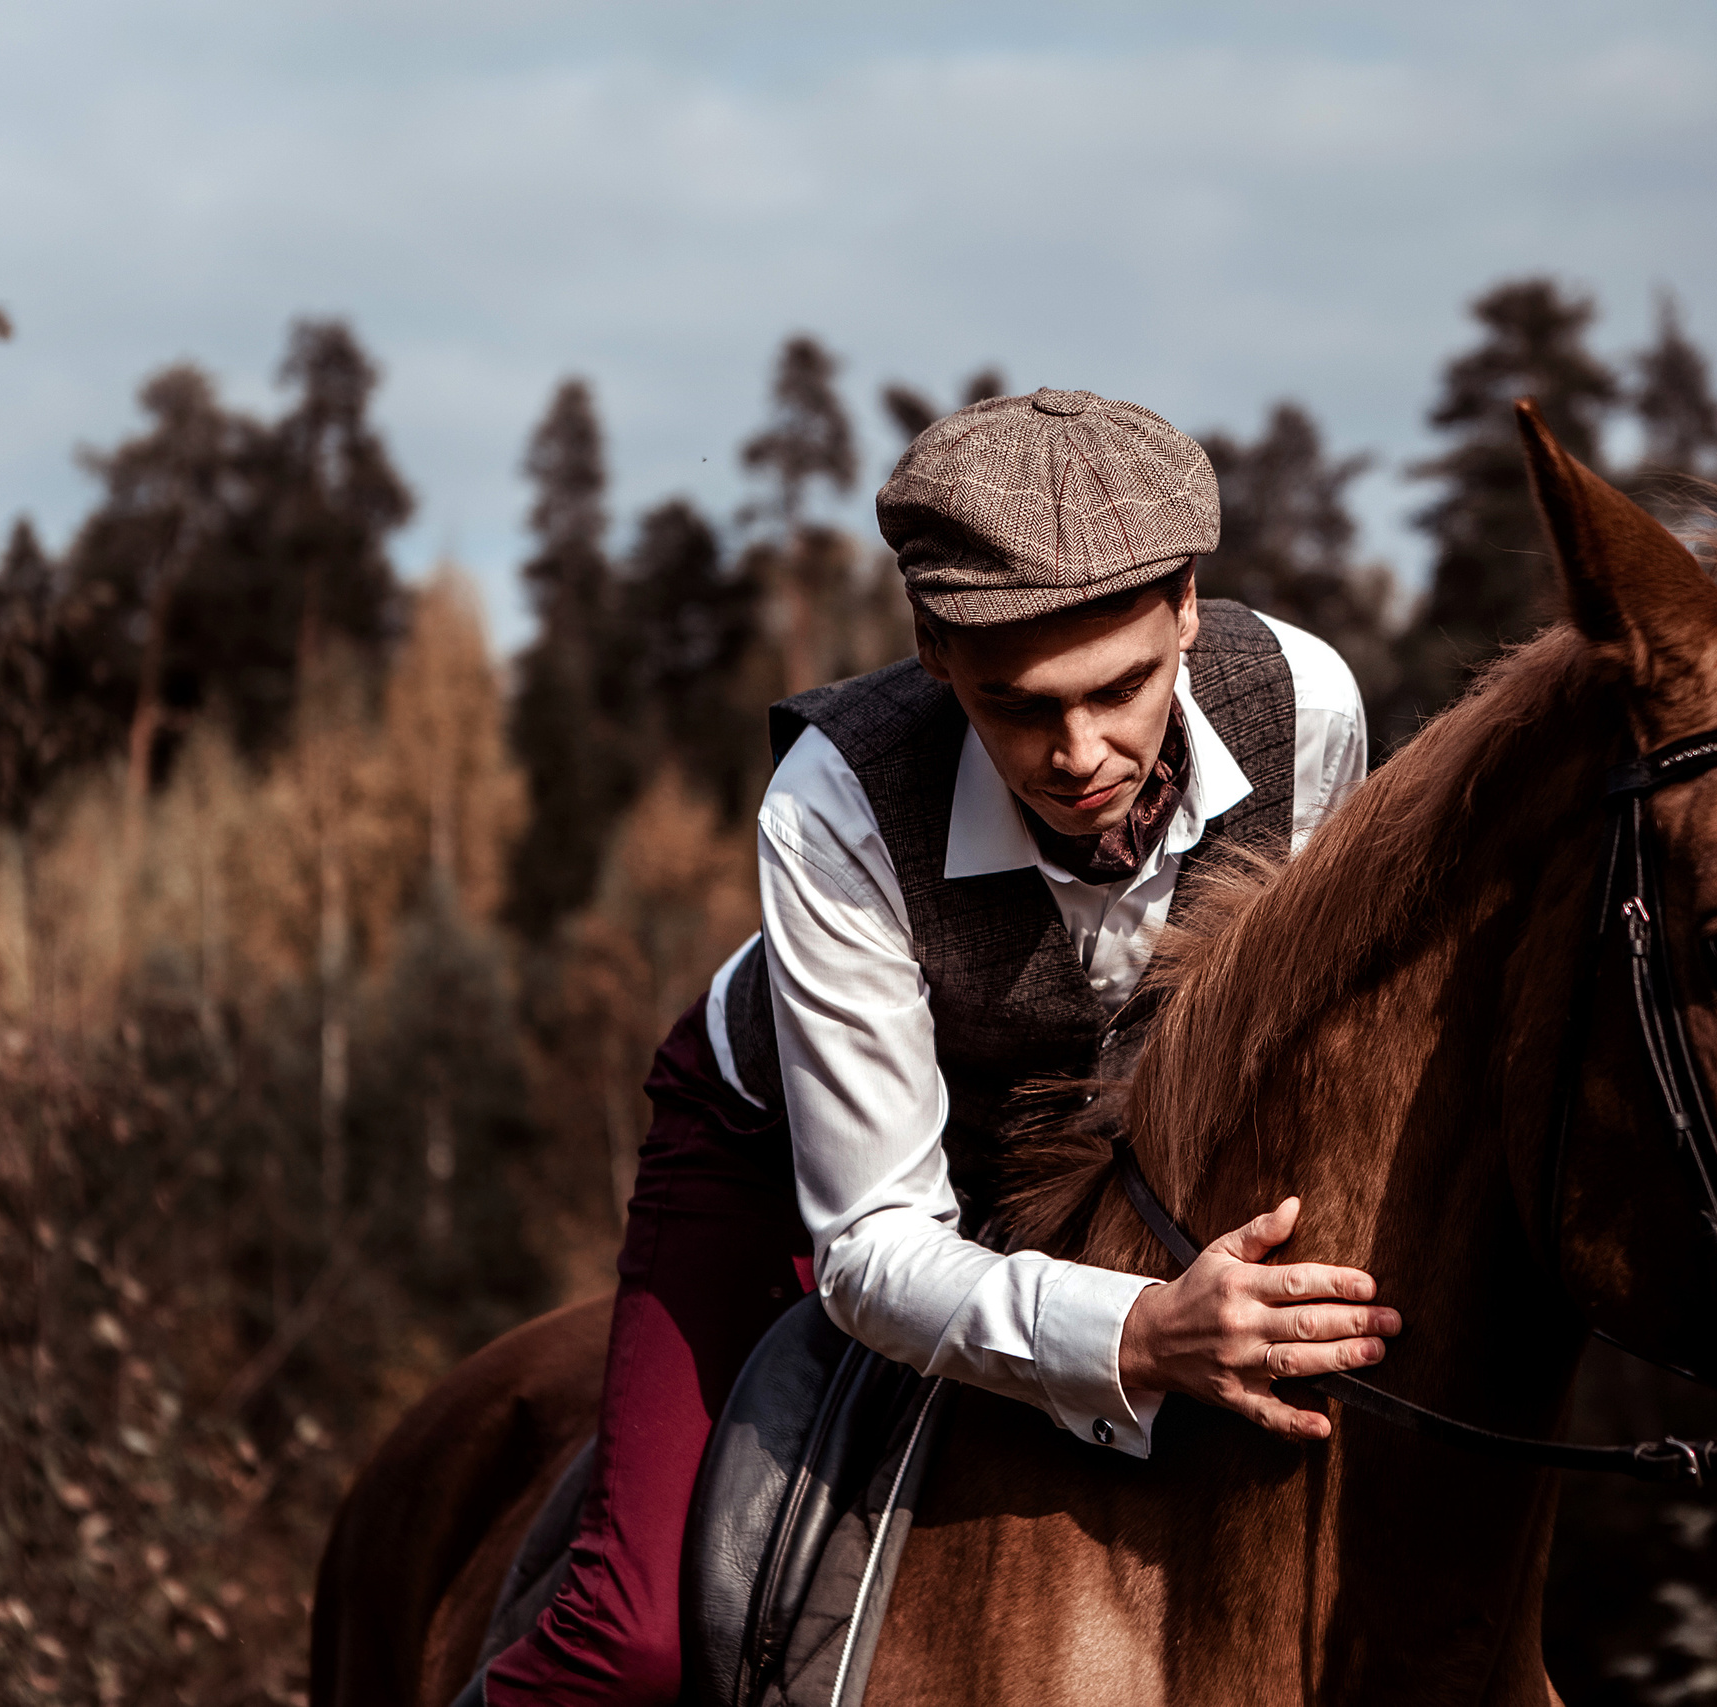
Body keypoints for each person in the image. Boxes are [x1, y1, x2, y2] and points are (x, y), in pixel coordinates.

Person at [475, 388, 1402, 1706]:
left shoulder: (1310, 708)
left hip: (1102, 1143)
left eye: (1123, 688)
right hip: (776, 1146)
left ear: (1188, 606)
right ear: (932, 650)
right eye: (1017, 707)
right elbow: (872, 1250)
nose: (1079, 755)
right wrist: (1143, 1336)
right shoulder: (833, 799)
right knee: (633, 1648)